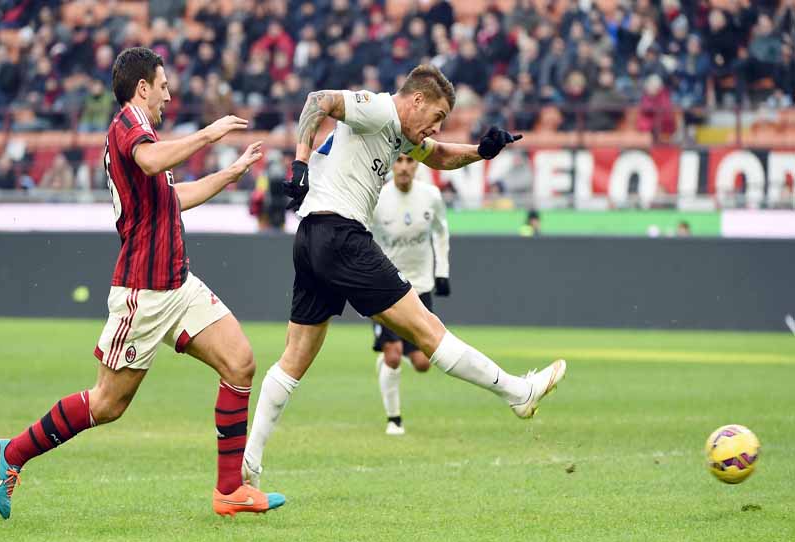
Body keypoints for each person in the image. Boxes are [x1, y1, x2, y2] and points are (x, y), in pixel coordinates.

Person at [0, 47, 284, 520]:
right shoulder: (128, 126)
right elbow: (150, 163)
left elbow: (172, 198)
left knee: (240, 363)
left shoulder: (145, 135)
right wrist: (207, 134)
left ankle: (229, 491)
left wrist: (227, 175)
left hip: (178, 284)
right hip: (142, 293)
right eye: (163, 86)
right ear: (142, 87)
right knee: (107, 404)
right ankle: (12, 453)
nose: (168, 94)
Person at [242, 64, 567, 494]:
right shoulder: (376, 109)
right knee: (428, 331)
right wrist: (299, 162)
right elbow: (317, 101)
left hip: (312, 239)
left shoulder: (399, 133)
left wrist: (482, 151)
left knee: (294, 359)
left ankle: (248, 467)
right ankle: (516, 393)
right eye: (435, 117)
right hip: (342, 235)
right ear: (416, 101)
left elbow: (439, 156)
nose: (435, 126)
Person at [370, 152, 450, 435]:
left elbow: (441, 231)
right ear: (392, 164)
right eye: (399, 161)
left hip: (421, 286)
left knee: (423, 363)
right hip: (386, 287)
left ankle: (389, 355)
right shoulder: (377, 199)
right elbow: (363, 236)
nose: (404, 167)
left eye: (410, 161)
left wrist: (443, 271)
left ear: (417, 165)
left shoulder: (431, 196)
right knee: (393, 355)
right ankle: (394, 419)